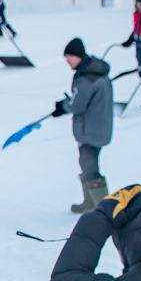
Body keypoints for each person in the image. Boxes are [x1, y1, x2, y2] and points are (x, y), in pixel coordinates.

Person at [50, 38, 113, 214]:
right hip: (99, 125)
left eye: (70, 56)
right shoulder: (95, 72)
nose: (68, 60)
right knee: (86, 162)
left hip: (91, 128)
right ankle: (91, 202)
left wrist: (63, 106)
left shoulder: (85, 79)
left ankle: (103, 210)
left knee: (89, 164)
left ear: (79, 56)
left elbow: (78, 105)